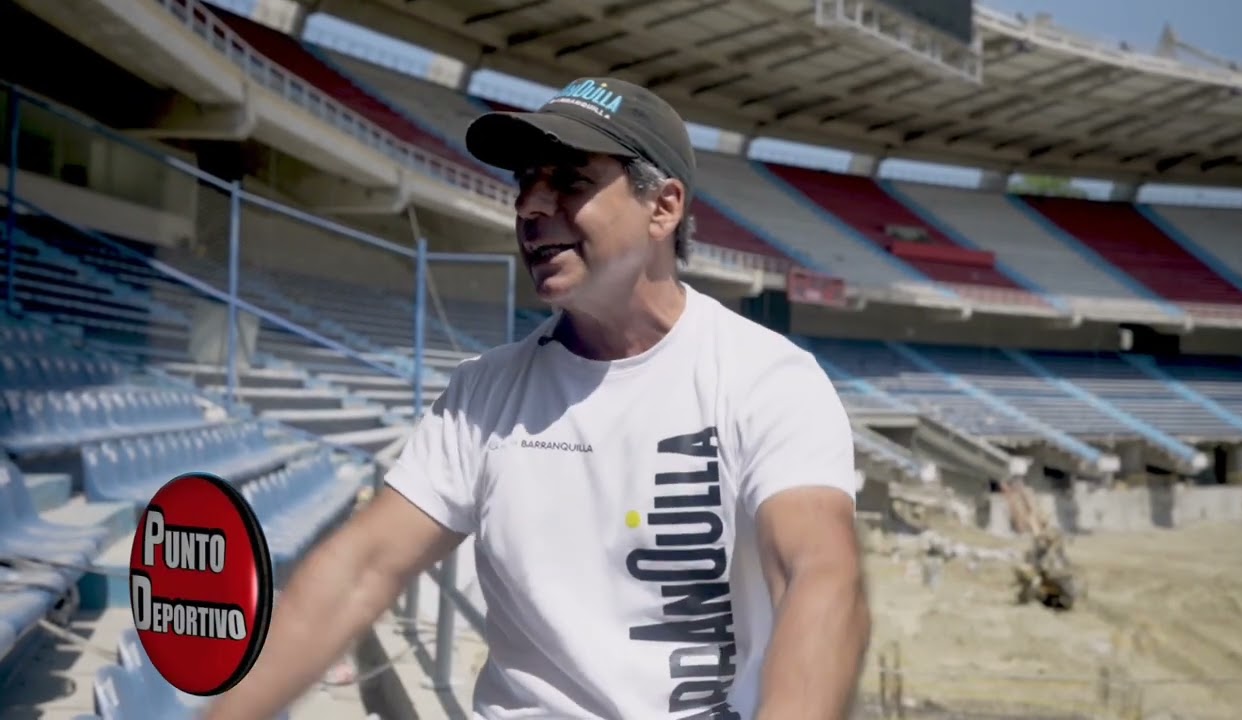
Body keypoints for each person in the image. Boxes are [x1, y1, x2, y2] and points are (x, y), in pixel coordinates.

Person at [202, 76, 870, 720]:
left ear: (662, 207)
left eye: (571, 180)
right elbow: (360, 569)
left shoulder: (767, 378)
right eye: (526, 180)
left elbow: (818, 575)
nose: (530, 207)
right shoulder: (481, 394)